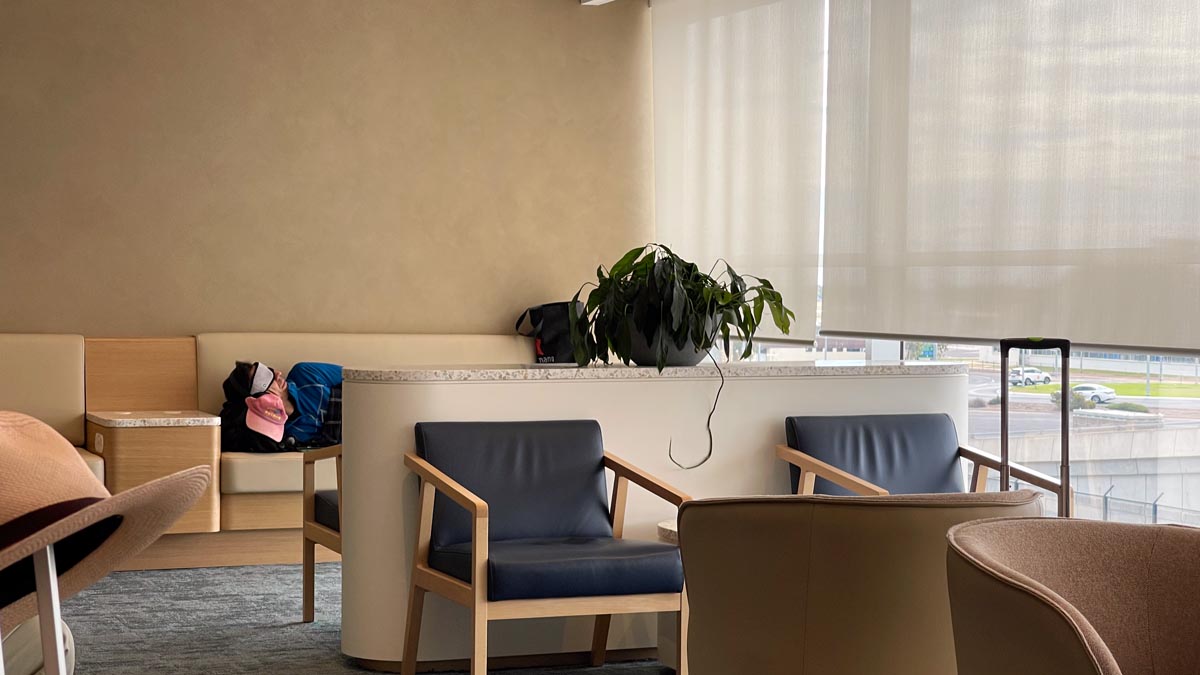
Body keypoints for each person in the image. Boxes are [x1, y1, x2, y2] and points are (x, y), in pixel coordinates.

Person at [219, 361, 343, 452]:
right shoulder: (280, 435)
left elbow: (358, 379)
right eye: (265, 377)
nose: (278, 374)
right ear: (258, 399)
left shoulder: (304, 374)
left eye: (269, 370)